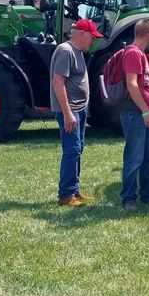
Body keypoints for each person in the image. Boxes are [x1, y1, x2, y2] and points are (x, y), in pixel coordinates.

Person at [50, 18, 103, 207]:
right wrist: (68, 114)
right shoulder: (66, 51)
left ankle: (74, 190)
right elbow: (58, 83)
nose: (93, 41)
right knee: (72, 150)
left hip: (79, 109)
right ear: (82, 34)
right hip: (70, 111)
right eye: (92, 37)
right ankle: (66, 195)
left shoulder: (77, 52)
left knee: (78, 149)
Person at [120, 19, 149, 210]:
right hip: (136, 114)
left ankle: (148, 195)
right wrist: (145, 111)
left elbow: (140, 85)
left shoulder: (139, 54)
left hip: (145, 113)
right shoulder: (133, 53)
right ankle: (128, 199)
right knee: (134, 157)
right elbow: (131, 84)